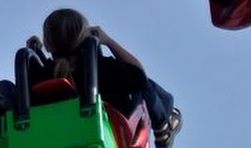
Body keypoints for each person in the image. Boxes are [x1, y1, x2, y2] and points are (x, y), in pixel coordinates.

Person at [31, 8, 182, 148]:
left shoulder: (41, 75)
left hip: (52, 133)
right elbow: (139, 77)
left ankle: (165, 120)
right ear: (84, 37)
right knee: (147, 87)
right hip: (111, 130)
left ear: (48, 44)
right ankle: (163, 123)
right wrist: (108, 41)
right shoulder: (99, 69)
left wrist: (36, 54)